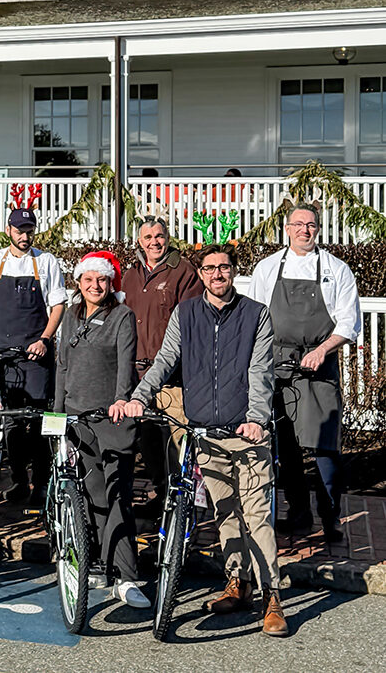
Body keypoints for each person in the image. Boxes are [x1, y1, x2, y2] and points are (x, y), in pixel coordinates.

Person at [115, 244, 288, 637]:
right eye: (209, 269)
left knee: (256, 515)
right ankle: (237, 583)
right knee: (226, 512)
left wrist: (258, 419)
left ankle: (271, 596)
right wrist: (140, 397)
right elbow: (165, 360)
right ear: (202, 274)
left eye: (223, 268)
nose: (216, 275)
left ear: (233, 272)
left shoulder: (255, 315)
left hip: (246, 432)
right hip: (205, 433)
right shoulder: (186, 313)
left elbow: (261, 372)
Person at [249, 203, 361, 542]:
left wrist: (322, 350)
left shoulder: (336, 269)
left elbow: (348, 322)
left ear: (318, 229)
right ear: (287, 229)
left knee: (325, 447)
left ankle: (331, 518)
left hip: (319, 366)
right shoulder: (268, 268)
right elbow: (255, 317)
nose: (304, 230)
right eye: (298, 224)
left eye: (310, 225)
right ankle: (298, 514)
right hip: (277, 368)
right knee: (288, 448)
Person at [54, 251, 148, 608]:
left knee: (118, 494)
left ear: (111, 284)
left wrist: (122, 399)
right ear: (78, 282)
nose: (95, 286)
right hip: (79, 421)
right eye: (88, 279)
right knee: (92, 495)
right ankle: (99, 564)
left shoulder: (122, 316)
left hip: (113, 418)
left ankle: (126, 575)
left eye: (102, 280)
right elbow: (62, 368)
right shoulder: (70, 316)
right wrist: (57, 416)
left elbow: (127, 363)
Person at [0, 207, 66, 506]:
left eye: (29, 230)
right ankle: (19, 481)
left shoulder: (46, 262)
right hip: (4, 354)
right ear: (8, 230)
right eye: (19, 230)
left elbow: (58, 304)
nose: (24, 236)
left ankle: (41, 482)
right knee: (10, 420)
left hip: (37, 353)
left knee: (37, 418)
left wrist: (44, 339)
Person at [123, 217, 203, 517]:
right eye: (148, 237)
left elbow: (191, 322)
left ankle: (181, 503)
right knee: (149, 440)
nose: (154, 242)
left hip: (171, 375)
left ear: (167, 238)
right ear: (139, 241)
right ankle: (160, 493)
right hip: (137, 374)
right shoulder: (130, 274)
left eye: (159, 236)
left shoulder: (183, 272)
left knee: (175, 442)